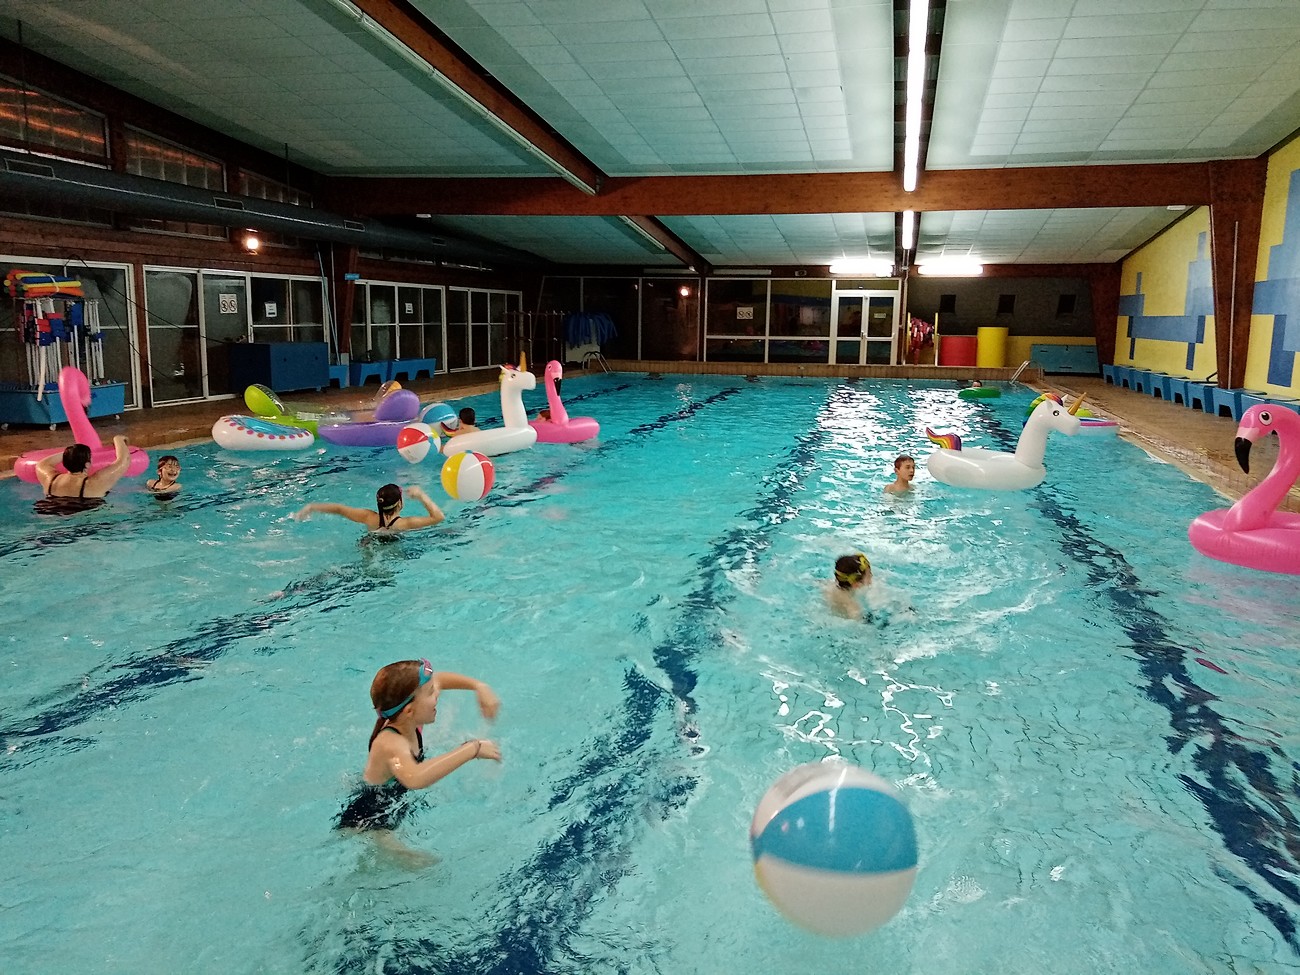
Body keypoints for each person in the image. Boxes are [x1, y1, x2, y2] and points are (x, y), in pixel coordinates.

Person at [335, 658, 501, 832]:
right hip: (368, 820)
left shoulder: (409, 719)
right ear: (409, 710)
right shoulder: (390, 742)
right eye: (430, 693)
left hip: (392, 802)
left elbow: (439, 679)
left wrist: (479, 686)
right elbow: (415, 778)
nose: (436, 694)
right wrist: (473, 749)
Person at [33, 436, 132, 515]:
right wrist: (118, 439)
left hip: (49, 512)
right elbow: (123, 461)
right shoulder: (93, 483)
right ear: (87, 464)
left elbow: (42, 463)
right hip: (84, 517)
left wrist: (71, 454)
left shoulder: (50, 480)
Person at [294, 483, 445, 533]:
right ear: (399, 504)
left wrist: (312, 507)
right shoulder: (405, 524)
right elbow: (438, 517)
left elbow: (339, 509)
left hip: (367, 545)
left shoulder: (368, 517)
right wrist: (421, 495)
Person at [826, 552, 872, 621]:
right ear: (856, 584)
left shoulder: (827, 585)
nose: (871, 576)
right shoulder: (852, 607)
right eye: (869, 574)